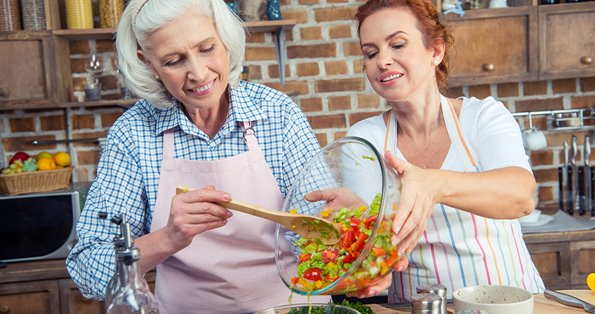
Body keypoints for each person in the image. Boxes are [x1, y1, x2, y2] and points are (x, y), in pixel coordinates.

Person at [65, 0, 330, 312]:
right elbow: (87, 268)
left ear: (224, 38)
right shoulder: (133, 133)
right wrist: (167, 238)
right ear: (148, 63)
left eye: (207, 48)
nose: (198, 73)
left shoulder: (277, 114)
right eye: (174, 61)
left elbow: (322, 234)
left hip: (292, 308)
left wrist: (341, 229)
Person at [346, 0, 545, 302]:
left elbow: (520, 197)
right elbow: (371, 243)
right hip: (418, 308)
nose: (382, 61)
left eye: (397, 44)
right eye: (370, 53)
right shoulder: (364, 140)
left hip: (509, 304)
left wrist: (433, 183)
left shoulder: (482, 117)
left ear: (435, 51)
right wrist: (371, 267)